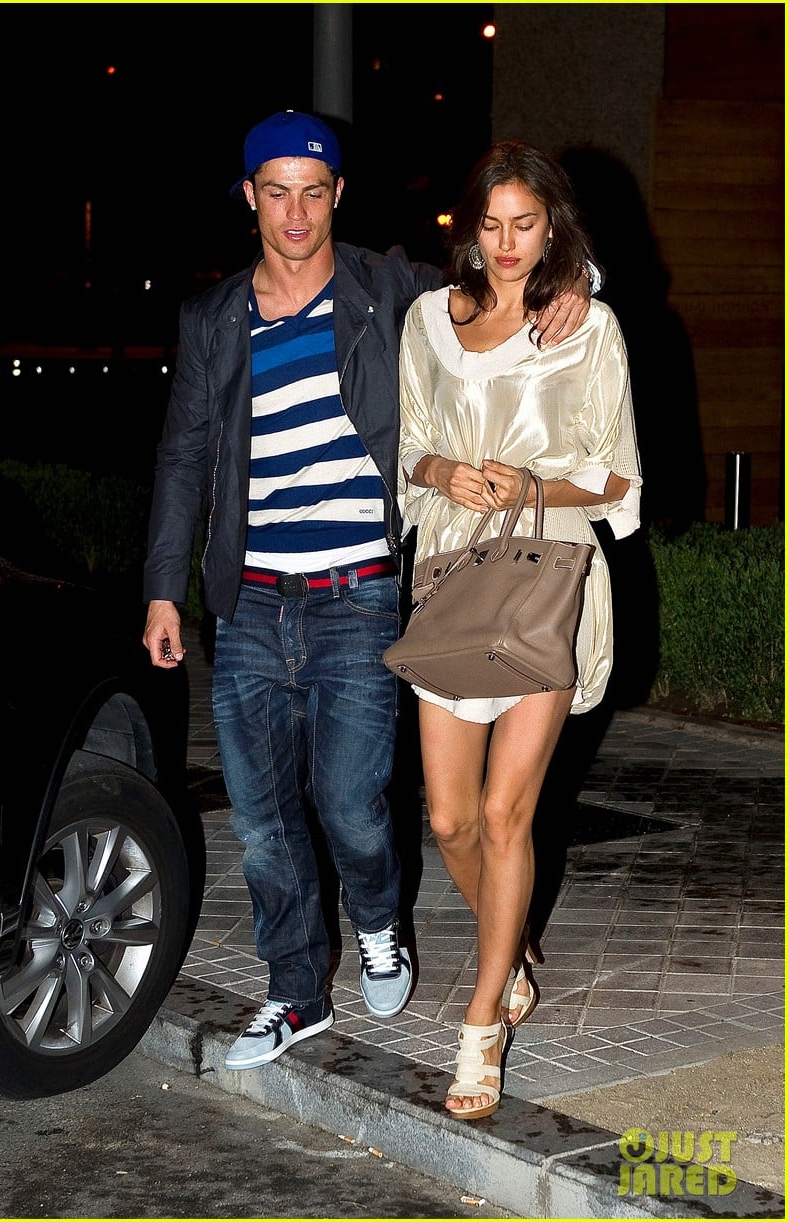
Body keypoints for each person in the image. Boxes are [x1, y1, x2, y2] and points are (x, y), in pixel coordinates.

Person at [141, 111, 593, 1072]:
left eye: (314, 191)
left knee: (350, 805)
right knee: (263, 821)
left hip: (357, 595)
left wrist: (579, 283)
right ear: (249, 197)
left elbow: (504, 276)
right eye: (276, 191)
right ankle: (295, 995)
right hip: (249, 600)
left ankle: (379, 920)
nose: (295, 211)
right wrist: (163, 590)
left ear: (337, 195)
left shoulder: (388, 288)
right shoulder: (212, 318)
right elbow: (182, 458)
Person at [397, 140, 642, 1120]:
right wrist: (442, 473)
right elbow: (410, 446)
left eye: (525, 224)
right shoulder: (429, 319)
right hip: (452, 581)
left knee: (507, 816)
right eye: (490, 224)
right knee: (450, 820)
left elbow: (616, 476)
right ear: (468, 228)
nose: (505, 244)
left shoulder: (587, 327)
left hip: (547, 582)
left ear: (553, 229)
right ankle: (512, 950)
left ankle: (481, 1021)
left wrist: (532, 486)